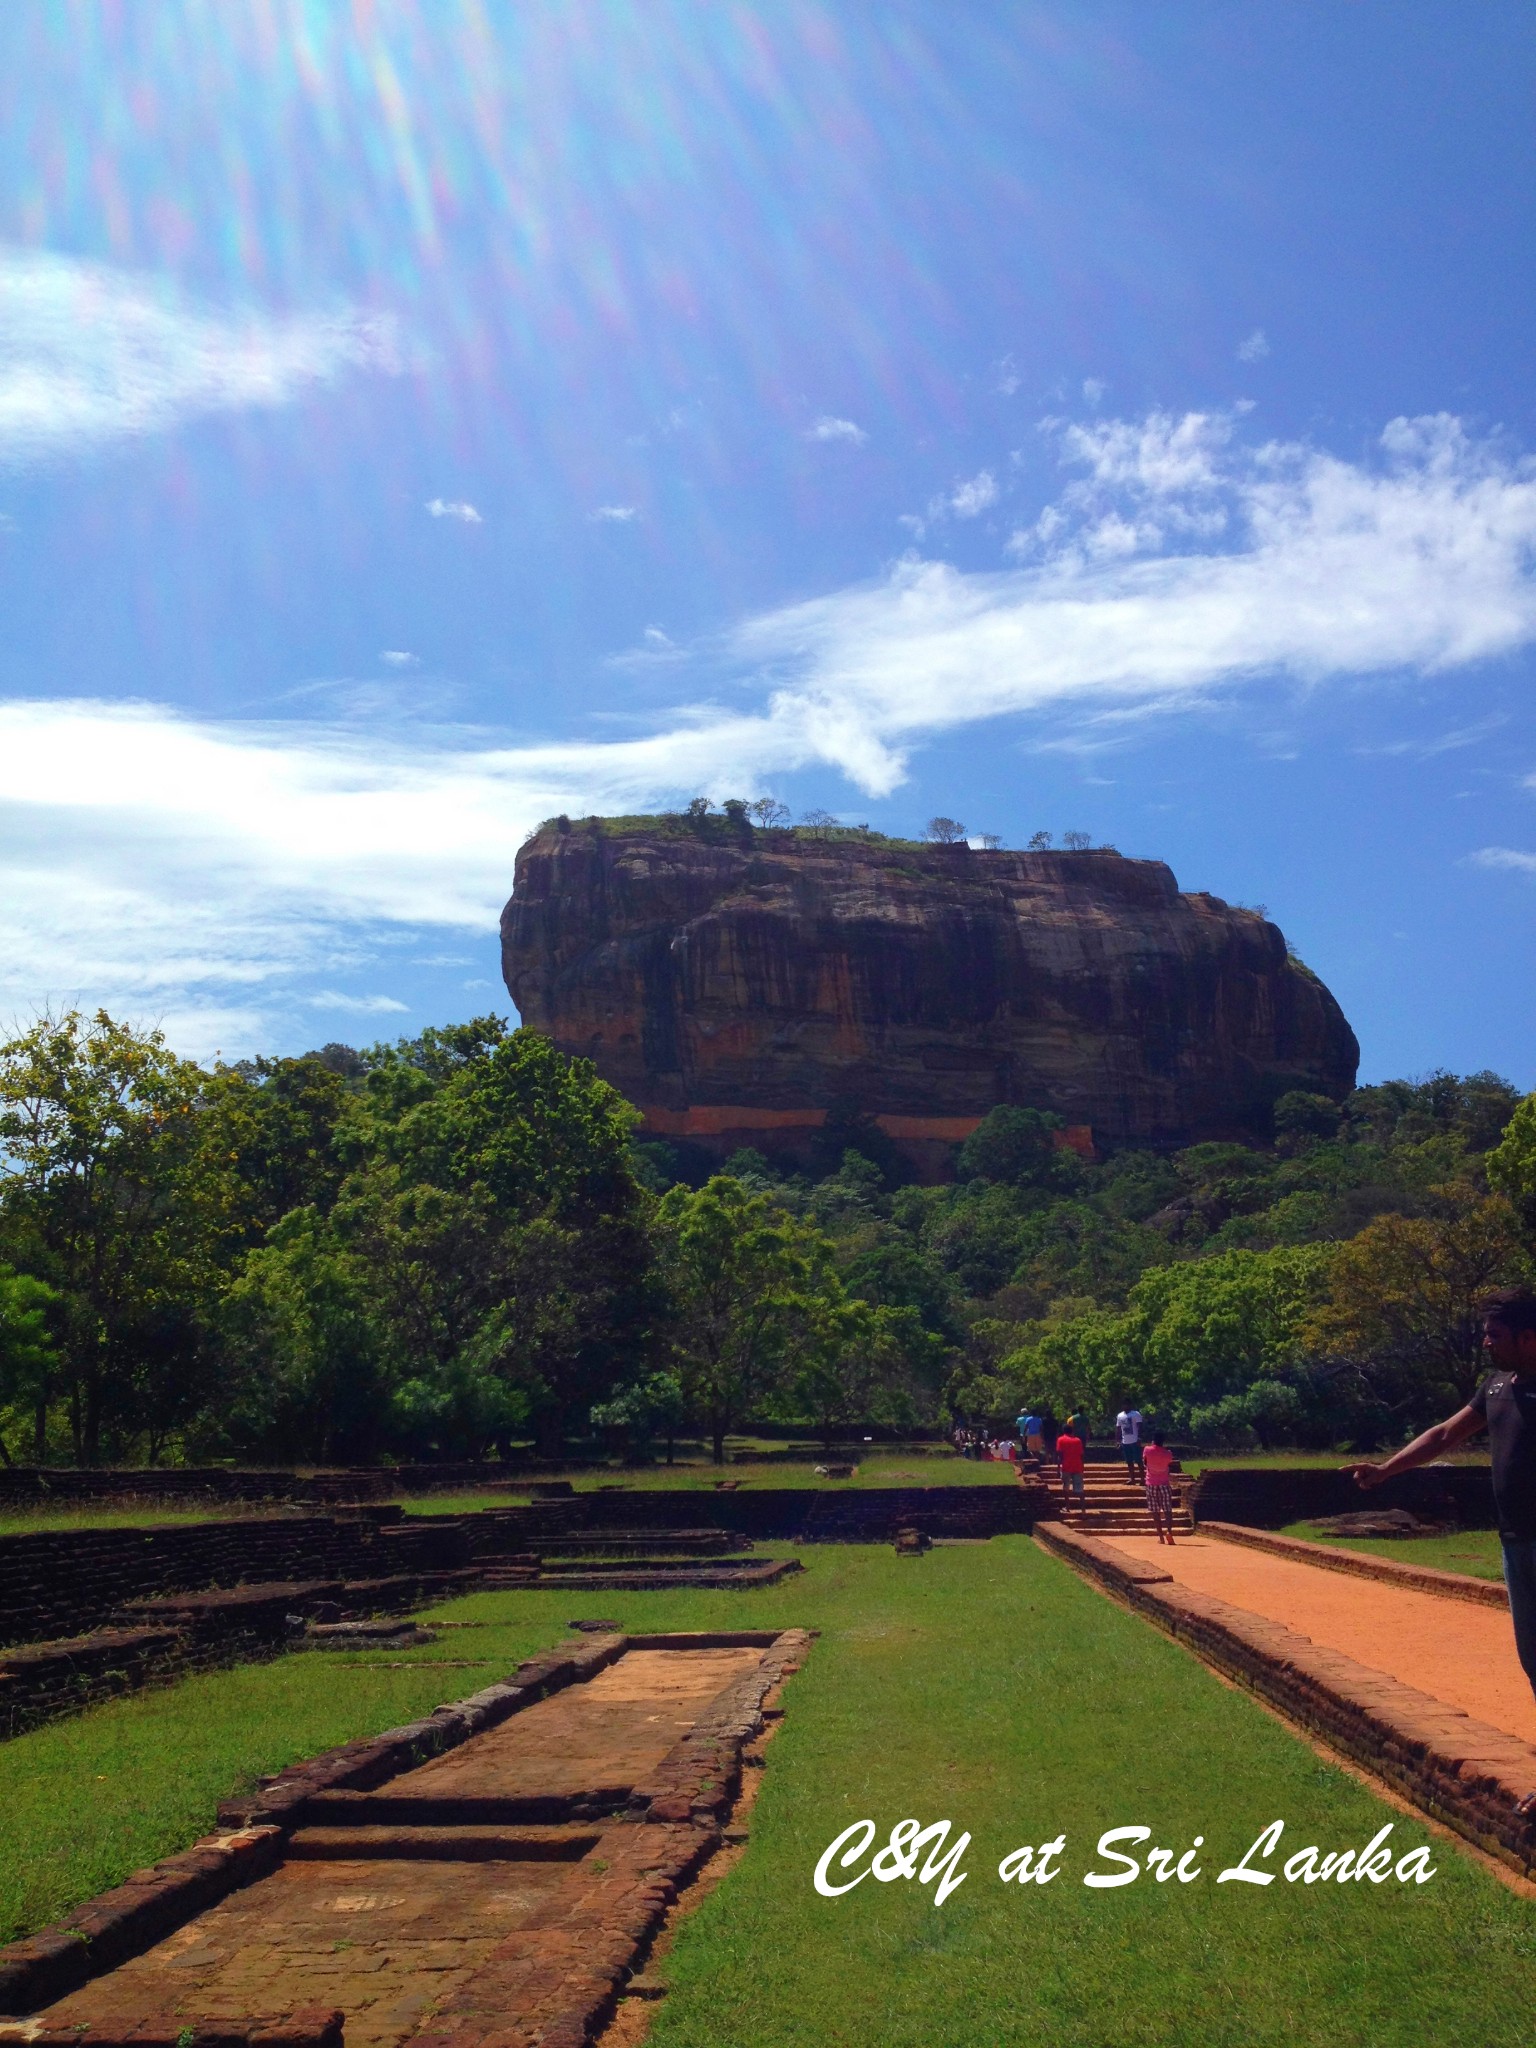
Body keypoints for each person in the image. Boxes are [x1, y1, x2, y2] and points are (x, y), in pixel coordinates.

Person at [1345, 1287, 1536, 1809]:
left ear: (1527, 1337)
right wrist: (1386, 1470)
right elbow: (1445, 1433)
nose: (1485, 1342)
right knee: (1534, 1662)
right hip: (1517, 1545)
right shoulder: (1496, 1388)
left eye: (1494, 1335)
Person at [1142, 1432, 1176, 1544]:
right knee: (1167, 1509)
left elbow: (1144, 1463)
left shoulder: (1147, 1450)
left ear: (1153, 1440)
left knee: (1155, 1511)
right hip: (1164, 1483)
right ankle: (1169, 1531)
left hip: (1151, 1483)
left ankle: (1161, 1537)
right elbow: (1169, 1464)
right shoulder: (1168, 1453)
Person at [1055, 1422, 1085, 1513]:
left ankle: (1067, 1507)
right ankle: (1083, 1510)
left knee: (1066, 1487)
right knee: (1080, 1489)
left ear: (1063, 1431)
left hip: (1066, 1467)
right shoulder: (1078, 1440)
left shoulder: (1060, 1440)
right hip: (1077, 1466)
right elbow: (1081, 1455)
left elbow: (1060, 1456)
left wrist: (1058, 1468)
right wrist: (1082, 1467)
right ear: (1072, 1431)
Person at [1114, 1402, 1144, 1481]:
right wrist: (1118, 1440)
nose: (1125, 1406)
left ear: (1130, 1405)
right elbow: (1118, 1428)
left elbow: (1140, 1426)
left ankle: (1142, 1479)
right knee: (1129, 1461)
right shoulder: (1120, 1415)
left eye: (1126, 1404)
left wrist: (1139, 1438)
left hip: (1135, 1440)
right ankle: (1132, 1479)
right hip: (1125, 1441)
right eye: (1124, 1404)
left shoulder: (1135, 1414)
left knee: (1138, 1460)